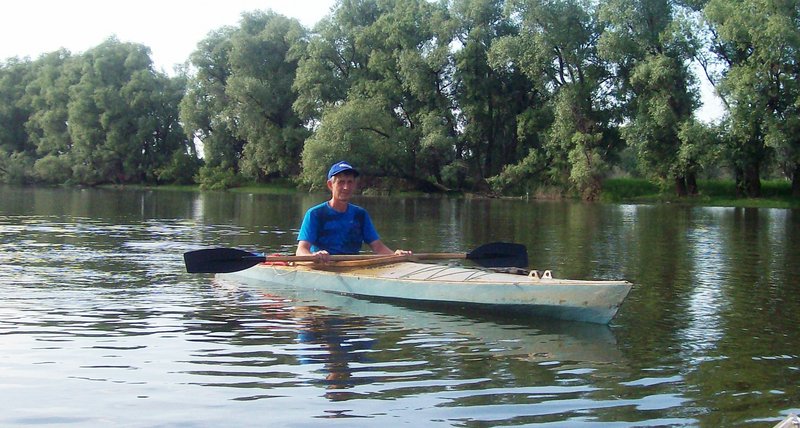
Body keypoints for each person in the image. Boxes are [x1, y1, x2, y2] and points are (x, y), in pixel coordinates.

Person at [296, 160, 412, 263]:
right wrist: (314, 256)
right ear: (330, 185)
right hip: (323, 266)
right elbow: (301, 250)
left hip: (352, 266)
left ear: (354, 184)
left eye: (350, 182)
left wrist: (396, 256)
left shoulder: (360, 214)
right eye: (341, 182)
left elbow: (378, 248)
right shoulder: (315, 214)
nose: (346, 187)